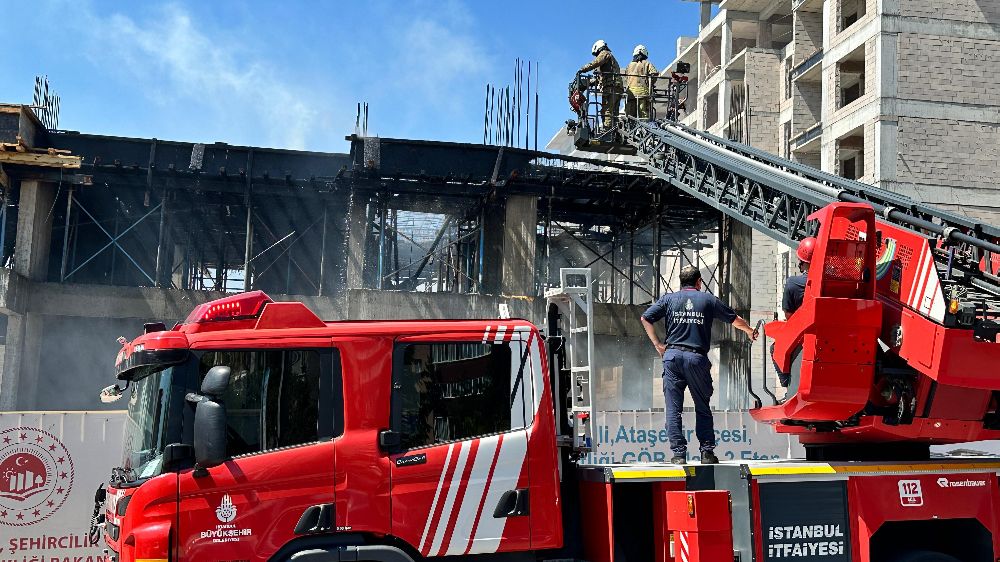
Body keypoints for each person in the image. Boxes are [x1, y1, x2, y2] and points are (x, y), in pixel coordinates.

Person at [641, 266, 757, 465]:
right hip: (696, 359)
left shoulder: (669, 299)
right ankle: (706, 452)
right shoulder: (708, 300)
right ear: (699, 282)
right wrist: (748, 330)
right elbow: (734, 320)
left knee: (673, 408)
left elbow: (646, 317)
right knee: (702, 407)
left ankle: (678, 454)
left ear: (681, 281)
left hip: (672, 356)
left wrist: (658, 345)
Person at [772, 237, 815, 388]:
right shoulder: (835, 281)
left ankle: (788, 385)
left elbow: (788, 314)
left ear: (803, 262)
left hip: (803, 334)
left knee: (774, 348)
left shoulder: (793, 283)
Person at [578, 40, 623, 130]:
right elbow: (600, 78)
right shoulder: (609, 59)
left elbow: (596, 62)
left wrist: (583, 69)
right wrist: (590, 82)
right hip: (617, 87)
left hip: (610, 87)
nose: (597, 55)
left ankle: (608, 131)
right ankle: (615, 131)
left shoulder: (604, 53)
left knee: (606, 111)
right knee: (614, 112)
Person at [624, 45, 658, 119]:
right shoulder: (646, 63)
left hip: (630, 94)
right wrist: (650, 84)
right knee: (643, 116)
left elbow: (626, 78)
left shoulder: (629, 65)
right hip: (642, 94)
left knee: (630, 116)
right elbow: (654, 74)